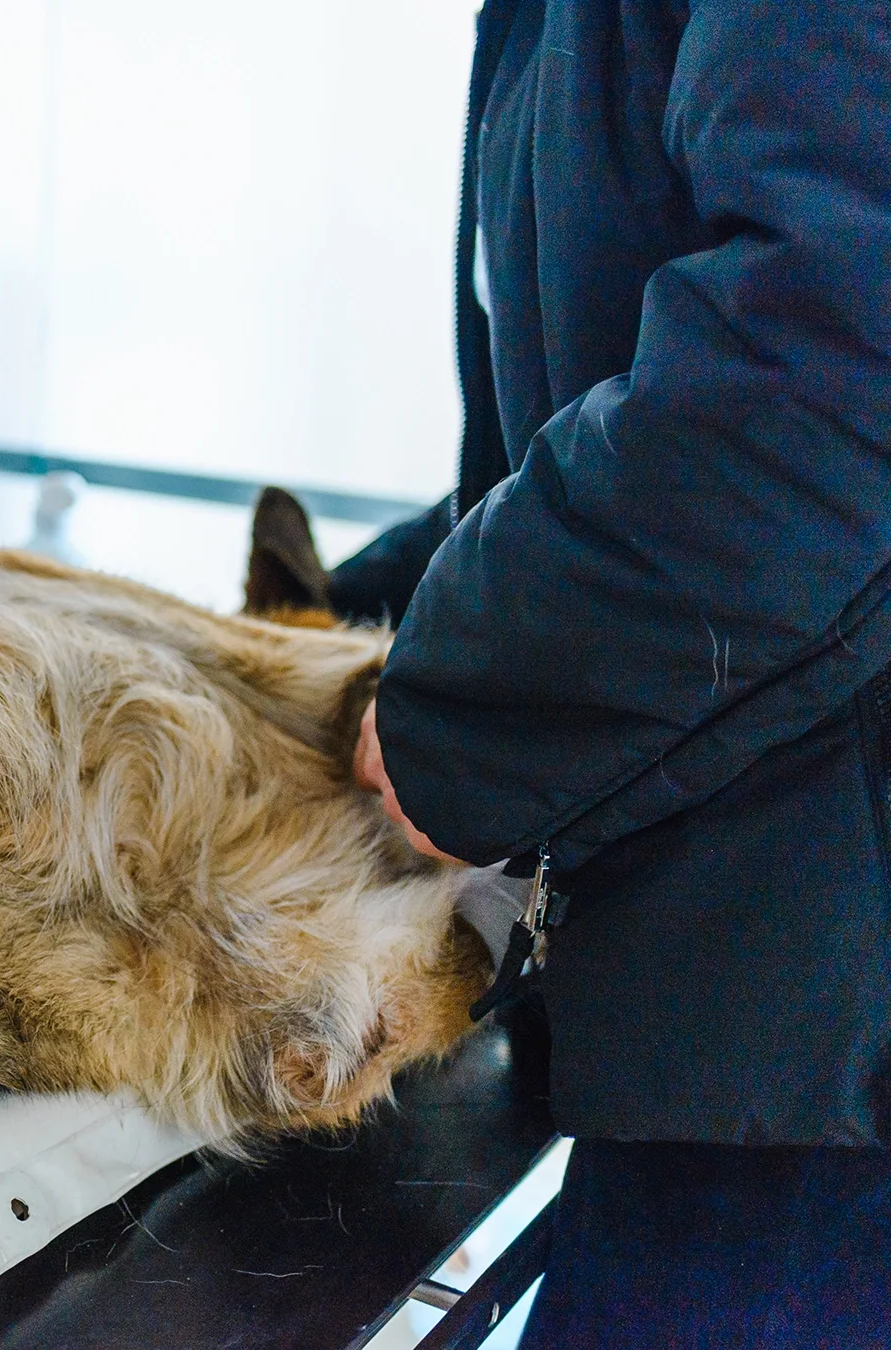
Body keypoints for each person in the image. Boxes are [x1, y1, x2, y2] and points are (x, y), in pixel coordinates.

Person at [341, 2, 891, 1343]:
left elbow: (825, 377)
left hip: (815, 1053)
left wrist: (454, 716)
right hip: (756, 1030)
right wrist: (323, 640)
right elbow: (588, 410)